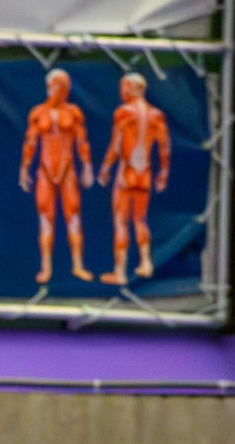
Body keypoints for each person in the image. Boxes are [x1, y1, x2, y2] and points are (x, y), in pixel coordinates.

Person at [19, 67, 95, 285]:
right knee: (46, 218)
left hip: (67, 170)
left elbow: (82, 141)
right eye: (57, 85)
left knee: (73, 216)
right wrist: (24, 168)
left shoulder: (73, 112)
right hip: (46, 170)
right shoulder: (38, 113)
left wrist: (87, 166)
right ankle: (46, 267)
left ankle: (78, 265)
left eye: (63, 86)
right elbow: (30, 142)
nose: (60, 90)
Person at [98, 72, 171, 285]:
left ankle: (120, 272)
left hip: (126, 173)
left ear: (131, 88)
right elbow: (164, 147)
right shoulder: (156, 115)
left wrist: (105, 168)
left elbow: (116, 145)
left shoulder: (124, 112)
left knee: (121, 221)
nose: (122, 91)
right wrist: (163, 173)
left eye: (124, 87)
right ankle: (146, 262)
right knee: (140, 219)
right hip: (144, 173)